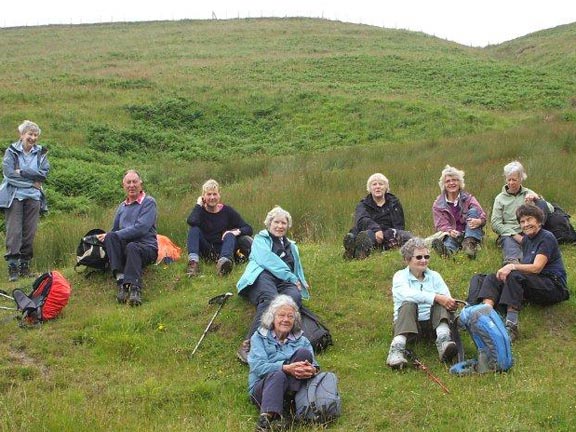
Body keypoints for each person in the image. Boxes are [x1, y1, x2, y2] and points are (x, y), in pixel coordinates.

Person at [476, 204, 569, 341]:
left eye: (529, 220)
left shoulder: (546, 237)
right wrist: (506, 270)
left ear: (538, 220)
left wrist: (512, 266)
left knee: (514, 275)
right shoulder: (526, 240)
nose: (525, 224)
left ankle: (511, 326)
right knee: (491, 277)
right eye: (522, 221)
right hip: (536, 283)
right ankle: (484, 314)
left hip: (554, 286)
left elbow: (537, 268)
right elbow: (527, 269)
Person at [236, 206, 310, 364]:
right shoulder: (260, 240)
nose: (280, 226)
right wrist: (291, 277)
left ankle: (276, 342)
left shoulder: (292, 245)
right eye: (276, 222)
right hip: (263, 275)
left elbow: (296, 267)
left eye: (283, 223)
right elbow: (267, 261)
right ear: (269, 224)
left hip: (285, 281)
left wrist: (300, 281)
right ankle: (247, 344)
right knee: (270, 299)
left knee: (292, 301)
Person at [248, 295, 319, 432]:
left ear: (295, 320)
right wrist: (285, 368)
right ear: (272, 318)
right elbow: (258, 367)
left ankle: (287, 407)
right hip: (263, 390)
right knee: (278, 374)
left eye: (290, 316)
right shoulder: (259, 337)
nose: (286, 320)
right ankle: (265, 421)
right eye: (281, 315)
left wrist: (312, 370)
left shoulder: (302, 340)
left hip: (290, 389)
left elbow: (315, 366)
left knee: (304, 354)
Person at [386, 237, 458, 369]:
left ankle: (443, 340)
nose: (424, 260)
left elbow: (446, 297)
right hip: (409, 327)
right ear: (408, 259)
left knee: (442, 301)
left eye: (427, 256)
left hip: (432, 325)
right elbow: (406, 294)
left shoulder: (435, 276)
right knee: (408, 304)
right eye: (419, 257)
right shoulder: (400, 276)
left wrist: (448, 302)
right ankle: (396, 349)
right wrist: (435, 297)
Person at [96, 170, 158, 306]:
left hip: (146, 248)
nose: (131, 185)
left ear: (140, 184)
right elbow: (115, 231)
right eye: (128, 182)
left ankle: (135, 288)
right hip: (126, 250)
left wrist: (115, 235)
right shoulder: (121, 207)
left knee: (131, 246)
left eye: (134, 182)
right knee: (111, 236)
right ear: (123, 186)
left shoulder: (149, 202)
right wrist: (105, 237)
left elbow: (141, 228)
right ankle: (120, 280)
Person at [0, 120, 50, 282]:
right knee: (14, 232)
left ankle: (25, 267)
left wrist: (22, 171)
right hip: (14, 196)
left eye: (35, 135)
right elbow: (9, 174)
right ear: (22, 135)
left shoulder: (41, 153)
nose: (33, 138)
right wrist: (31, 181)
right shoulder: (11, 151)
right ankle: (13, 268)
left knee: (30, 232)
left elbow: (42, 175)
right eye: (30, 134)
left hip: (34, 197)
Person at [185, 179, 253, 277]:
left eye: (214, 194)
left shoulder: (227, 211)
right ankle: (193, 264)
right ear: (203, 196)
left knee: (230, 234)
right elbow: (191, 221)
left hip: (225, 249)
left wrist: (236, 232)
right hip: (207, 249)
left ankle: (224, 265)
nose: (212, 197)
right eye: (208, 194)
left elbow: (248, 228)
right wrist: (198, 204)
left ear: (219, 195)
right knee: (194, 229)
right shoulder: (200, 211)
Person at [491, 160, 553, 264]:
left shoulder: (528, 192)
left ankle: (537, 258)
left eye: (514, 180)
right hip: (510, 233)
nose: (511, 183)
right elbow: (495, 223)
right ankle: (513, 262)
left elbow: (550, 209)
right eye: (508, 179)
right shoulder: (499, 198)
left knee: (537, 249)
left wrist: (536, 199)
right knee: (508, 242)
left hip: (530, 230)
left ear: (521, 178)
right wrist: (514, 234)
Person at [343, 173, 412, 260]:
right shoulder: (363, 204)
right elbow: (361, 219)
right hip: (368, 231)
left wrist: (391, 237)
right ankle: (354, 249)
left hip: (388, 233)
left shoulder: (394, 203)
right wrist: (377, 230)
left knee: (407, 236)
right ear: (370, 188)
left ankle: (358, 251)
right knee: (366, 235)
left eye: (381, 184)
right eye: (374, 184)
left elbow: (399, 225)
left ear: (386, 187)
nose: (377, 187)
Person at [430, 165, 486, 259]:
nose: (451, 183)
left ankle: (469, 245)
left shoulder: (468, 198)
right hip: (453, 234)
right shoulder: (438, 204)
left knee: (473, 211)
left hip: (470, 232)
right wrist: (450, 231)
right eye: (448, 181)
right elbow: (440, 225)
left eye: (454, 180)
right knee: (449, 241)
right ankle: (447, 252)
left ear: (459, 183)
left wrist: (479, 221)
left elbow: (481, 214)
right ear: (444, 185)